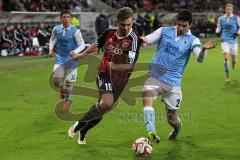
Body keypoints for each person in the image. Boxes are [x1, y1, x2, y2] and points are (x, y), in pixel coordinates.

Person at [68, 7, 141, 145]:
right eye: (123, 24)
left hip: (120, 80)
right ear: (116, 22)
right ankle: (79, 123)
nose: (126, 27)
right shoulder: (109, 32)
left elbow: (130, 65)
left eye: (129, 24)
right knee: (106, 103)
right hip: (104, 73)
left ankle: (83, 131)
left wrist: (114, 66)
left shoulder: (134, 40)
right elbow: (97, 44)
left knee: (103, 108)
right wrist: (81, 55)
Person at [141, 10, 217, 143]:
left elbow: (200, 59)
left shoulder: (193, 40)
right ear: (176, 22)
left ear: (190, 25)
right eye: (179, 24)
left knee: (172, 119)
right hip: (155, 76)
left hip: (173, 83)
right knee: (147, 96)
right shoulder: (164, 31)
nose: (181, 28)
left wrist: (204, 49)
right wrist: (142, 39)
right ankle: (151, 132)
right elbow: (148, 39)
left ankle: (177, 129)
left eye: (184, 26)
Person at [49, 10, 85, 109]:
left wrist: (75, 51)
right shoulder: (56, 29)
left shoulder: (76, 31)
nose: (66, 19)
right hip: (60, 58)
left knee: (69, 82)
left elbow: (82, 45)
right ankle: (62, 89)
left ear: (71, 19)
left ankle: (67, 100)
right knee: (56, 82)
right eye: (64, 17)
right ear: (61, 19)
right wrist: (51, 49)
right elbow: (52, 39)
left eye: (68, 17)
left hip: (72, 59)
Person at [216, 3, 240, 82]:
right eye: (227, 9)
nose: (228, 10)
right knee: (226, 58)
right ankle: (227, 76)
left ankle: (234, 62)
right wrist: (217, 32)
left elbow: (239, 28)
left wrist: (238, 32)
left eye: (230, 9)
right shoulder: (221, 18)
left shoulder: (236, 18)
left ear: (232, 10)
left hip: (234, 41)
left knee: (233, 59)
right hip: (225, 40)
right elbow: (218, 27)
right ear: (225, 10)